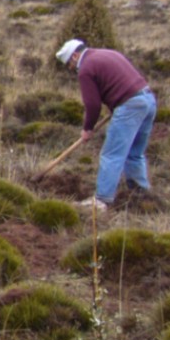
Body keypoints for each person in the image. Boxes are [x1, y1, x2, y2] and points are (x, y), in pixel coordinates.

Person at [56, 38, 156, 211]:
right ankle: (141, 194)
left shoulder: (86, 68)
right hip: (148, 100)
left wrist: (87, 128)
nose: (72, 69)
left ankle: (101, 201)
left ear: (74, 56)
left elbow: (92, 105)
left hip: (130, 106)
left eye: (70, 65)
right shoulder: (108, 53)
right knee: (135, 153)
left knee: (111, 155)